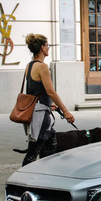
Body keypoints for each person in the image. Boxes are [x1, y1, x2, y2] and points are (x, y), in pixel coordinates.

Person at [21, 34, 75, 166]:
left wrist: (48, 104)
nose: (48, 48)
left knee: (48, 148)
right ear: (42, 47)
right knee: (34, 152)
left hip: (36, 112)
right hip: (41, 117)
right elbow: (51, 91)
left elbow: (34, 91)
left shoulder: (29, 65)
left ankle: (43, 176)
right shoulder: (42, 67)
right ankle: (23, 179)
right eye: (47, 45)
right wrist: (65, 111)